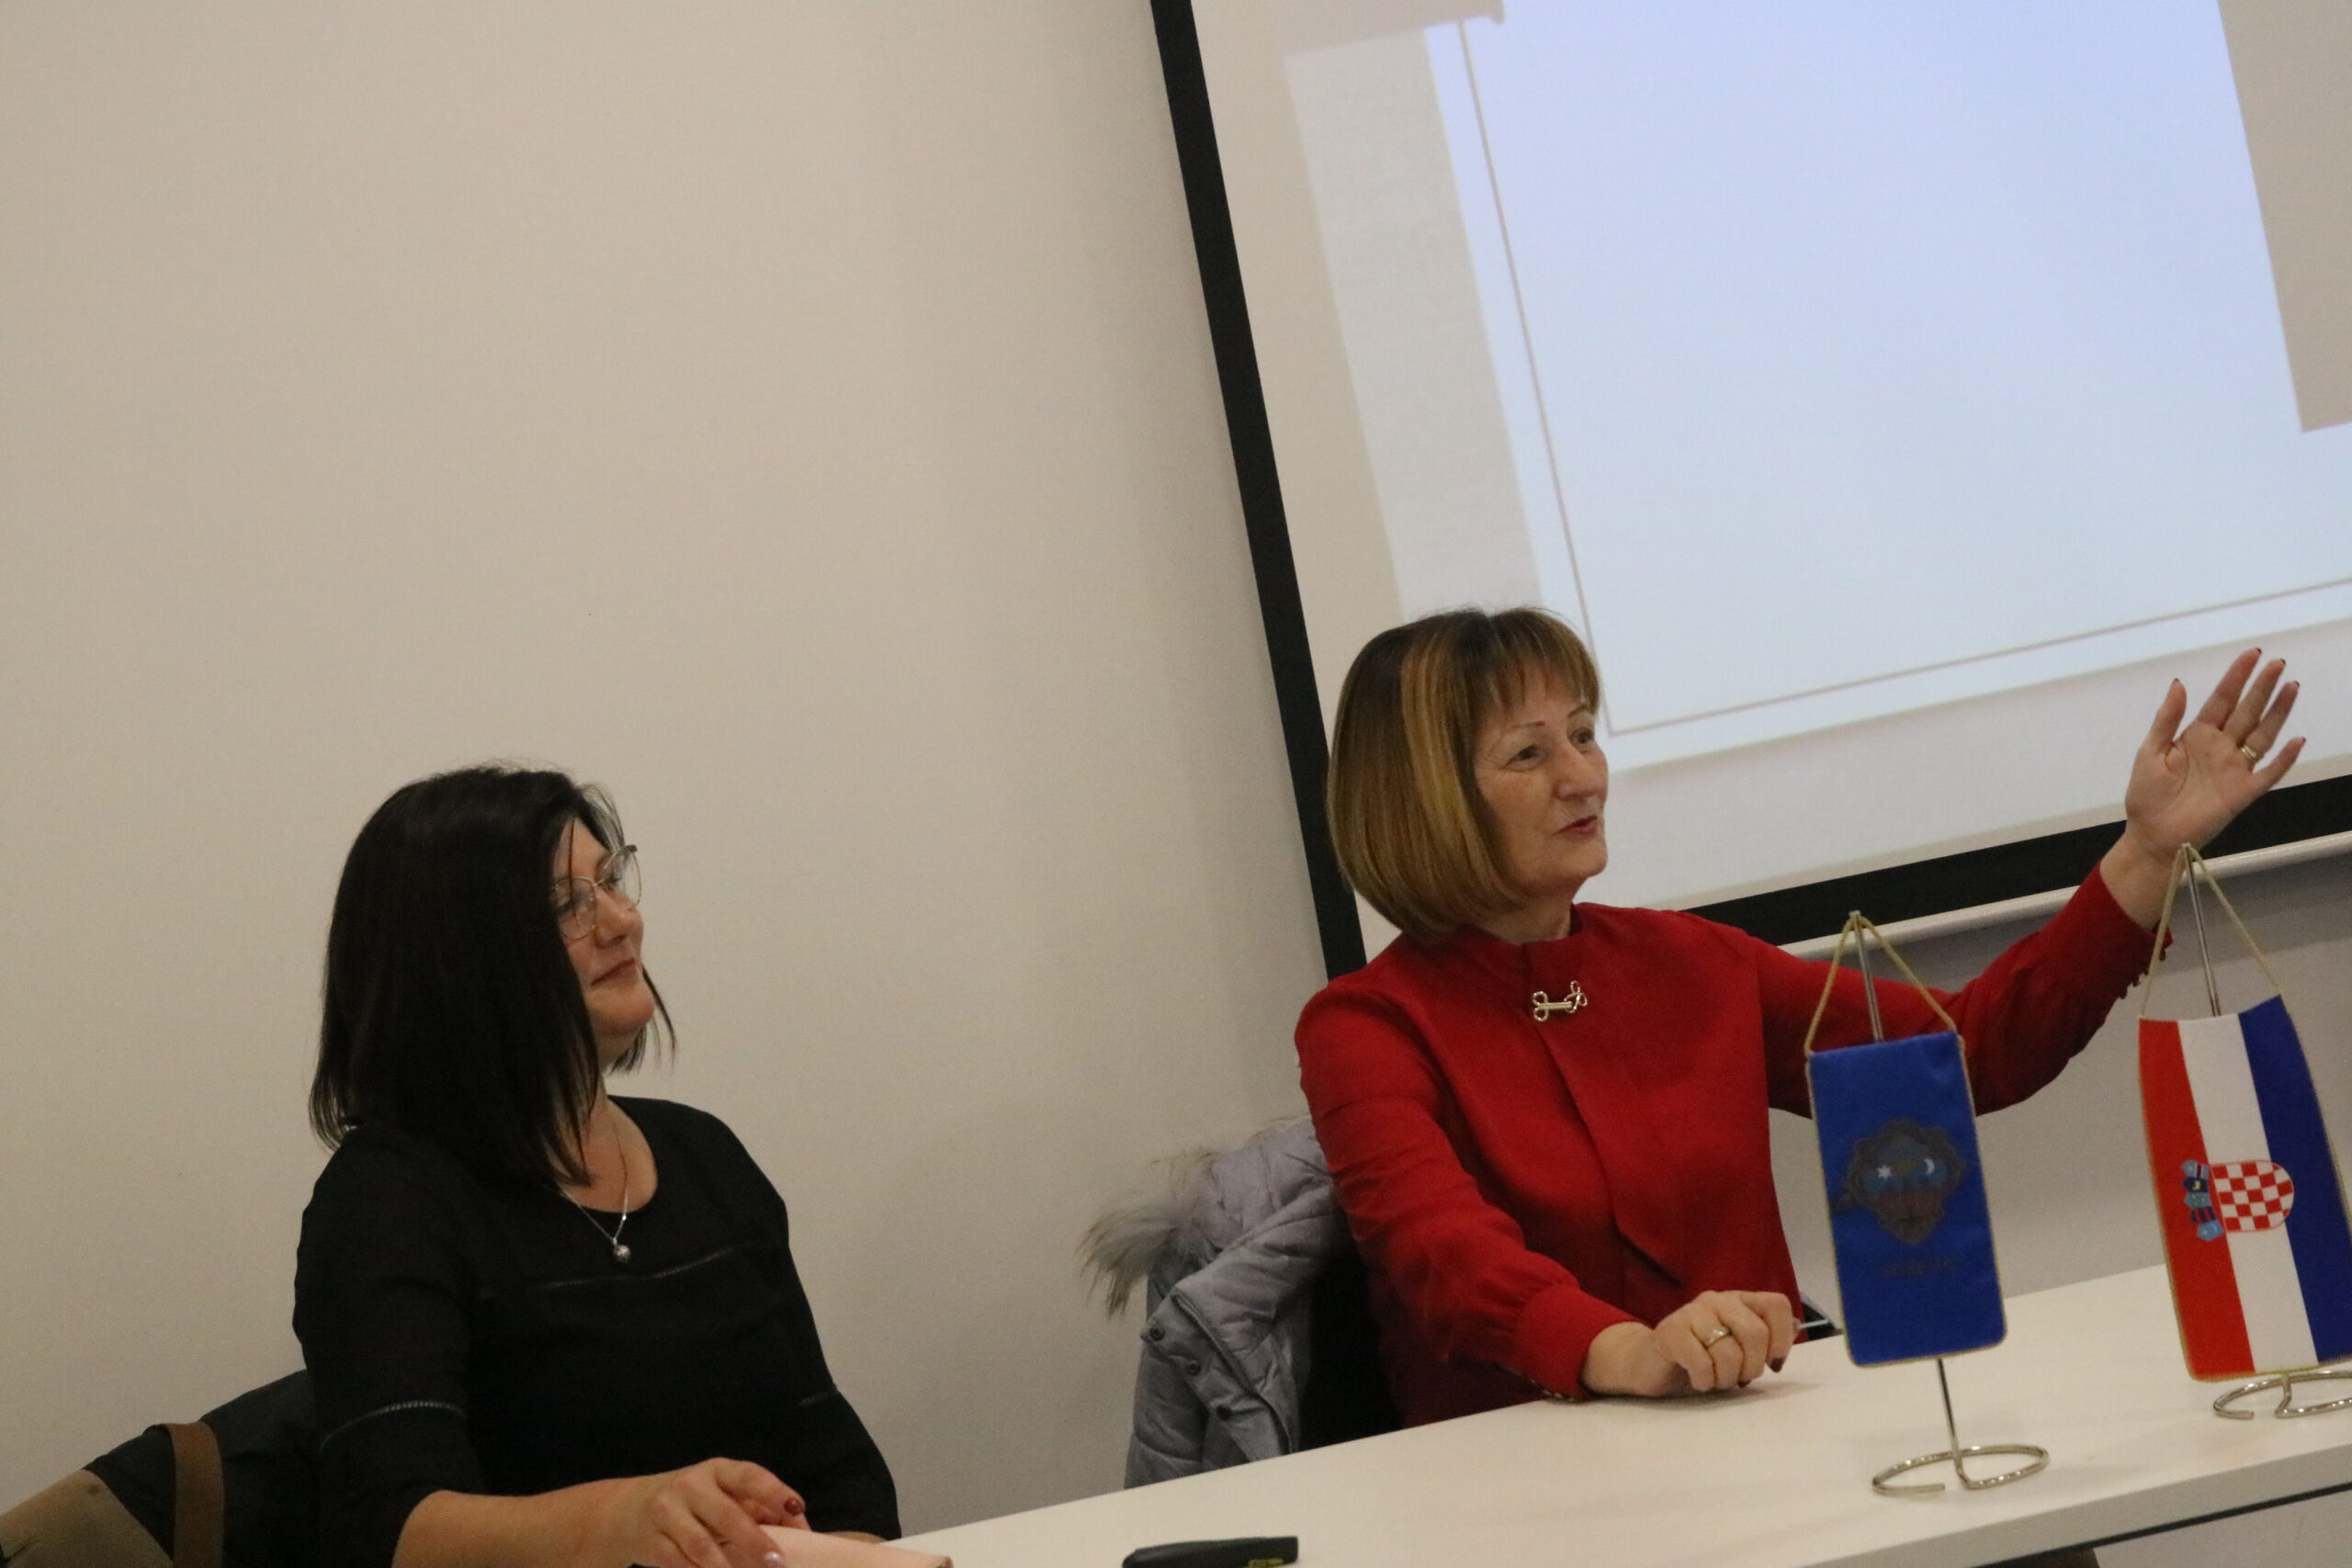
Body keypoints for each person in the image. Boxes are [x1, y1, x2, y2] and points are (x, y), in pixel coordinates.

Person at [1297, 608, 2303, 1426]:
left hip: (1759, 1434)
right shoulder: (1365, 1027)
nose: (1582, 775)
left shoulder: (1688, 961)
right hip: (1530, 1481)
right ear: (1425, 799)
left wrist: (2144, 853)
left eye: (1584, 734)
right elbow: (1444, 1255)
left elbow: (1972, 1055)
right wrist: (1625, 1352)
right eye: (1528, 753)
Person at [298, 767, 897, 1568]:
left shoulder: (705, 1156)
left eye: (611, 880)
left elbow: (841, 1474)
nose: (622, 920)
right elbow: (394, 1526)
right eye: (566, 905)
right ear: (461, 962)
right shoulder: (388, 1201)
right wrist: (620, 1519)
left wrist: (852, 1551)